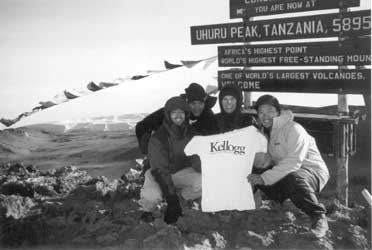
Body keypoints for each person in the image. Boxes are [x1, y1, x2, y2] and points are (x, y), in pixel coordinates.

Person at [247, 94, 330, 238]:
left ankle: (318, 218)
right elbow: (272, 161)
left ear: (278, 112)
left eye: (270, 111)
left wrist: (264, 178)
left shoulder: (294, 129)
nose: (265, 116)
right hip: (287, 173)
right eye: (261, 112)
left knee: (292, 178)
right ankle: (279, 204)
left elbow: (294, 161)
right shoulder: (267, 133)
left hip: (311, 171)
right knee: (255, 170)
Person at [139, 96, 201, 224]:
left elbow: (196, 159)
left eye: (181, 112)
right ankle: (148, 210)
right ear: (168, 115)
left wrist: (202, 168)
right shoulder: (158, 138)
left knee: (206, 182)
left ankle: (183, 198)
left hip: (181, 173)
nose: (178, 116)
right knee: (151, 196)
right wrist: (172, 200)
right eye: (174, 112)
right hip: (159, 175)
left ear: (186, 114)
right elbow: (160, 170)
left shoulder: (192, 133)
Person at [135, 82, 217, 155]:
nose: (197, 107)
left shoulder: (208, 115)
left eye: (200, 103)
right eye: (193, 103)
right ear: (187, 102)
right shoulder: (173, 111)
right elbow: (141, 126)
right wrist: (148, 150)